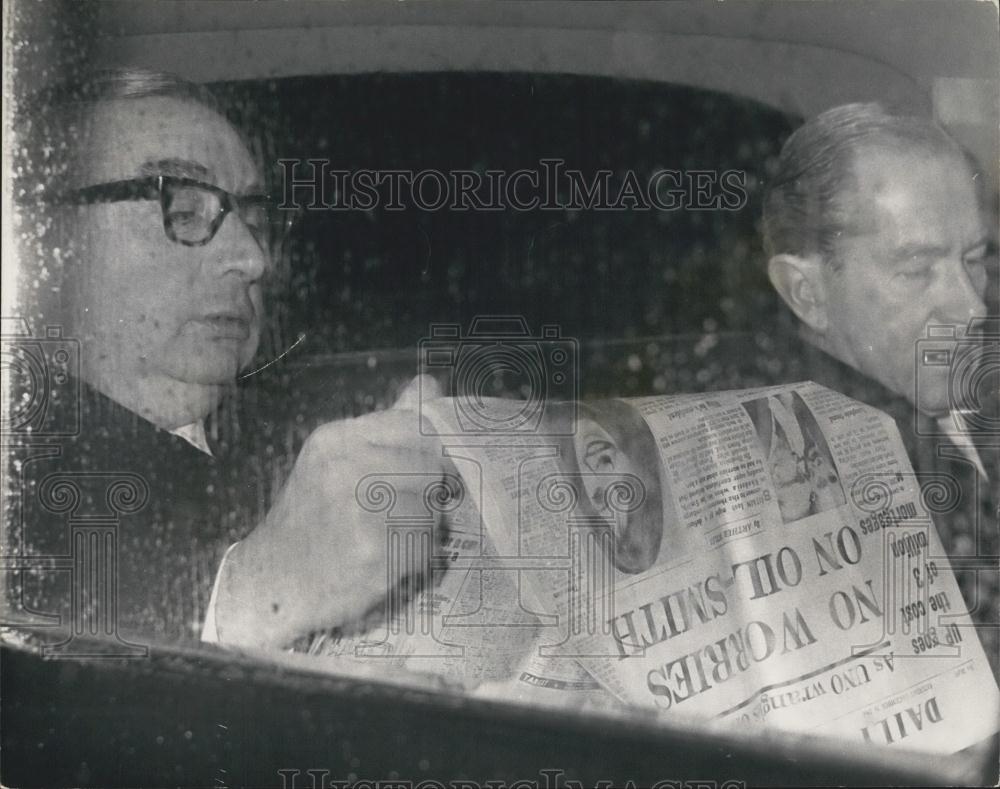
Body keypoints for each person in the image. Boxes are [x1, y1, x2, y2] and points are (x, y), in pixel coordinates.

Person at [8, 68, 450, 651]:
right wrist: (258, 588)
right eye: (183, 211)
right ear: (41, 242)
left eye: (256, 221)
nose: (252, 259)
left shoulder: (294, 426)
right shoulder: (16, 471)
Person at [760, 102, 998, 671]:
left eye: (975, 259)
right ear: (807, 293)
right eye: (916, 270)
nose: (972, 306)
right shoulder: (791, 481)